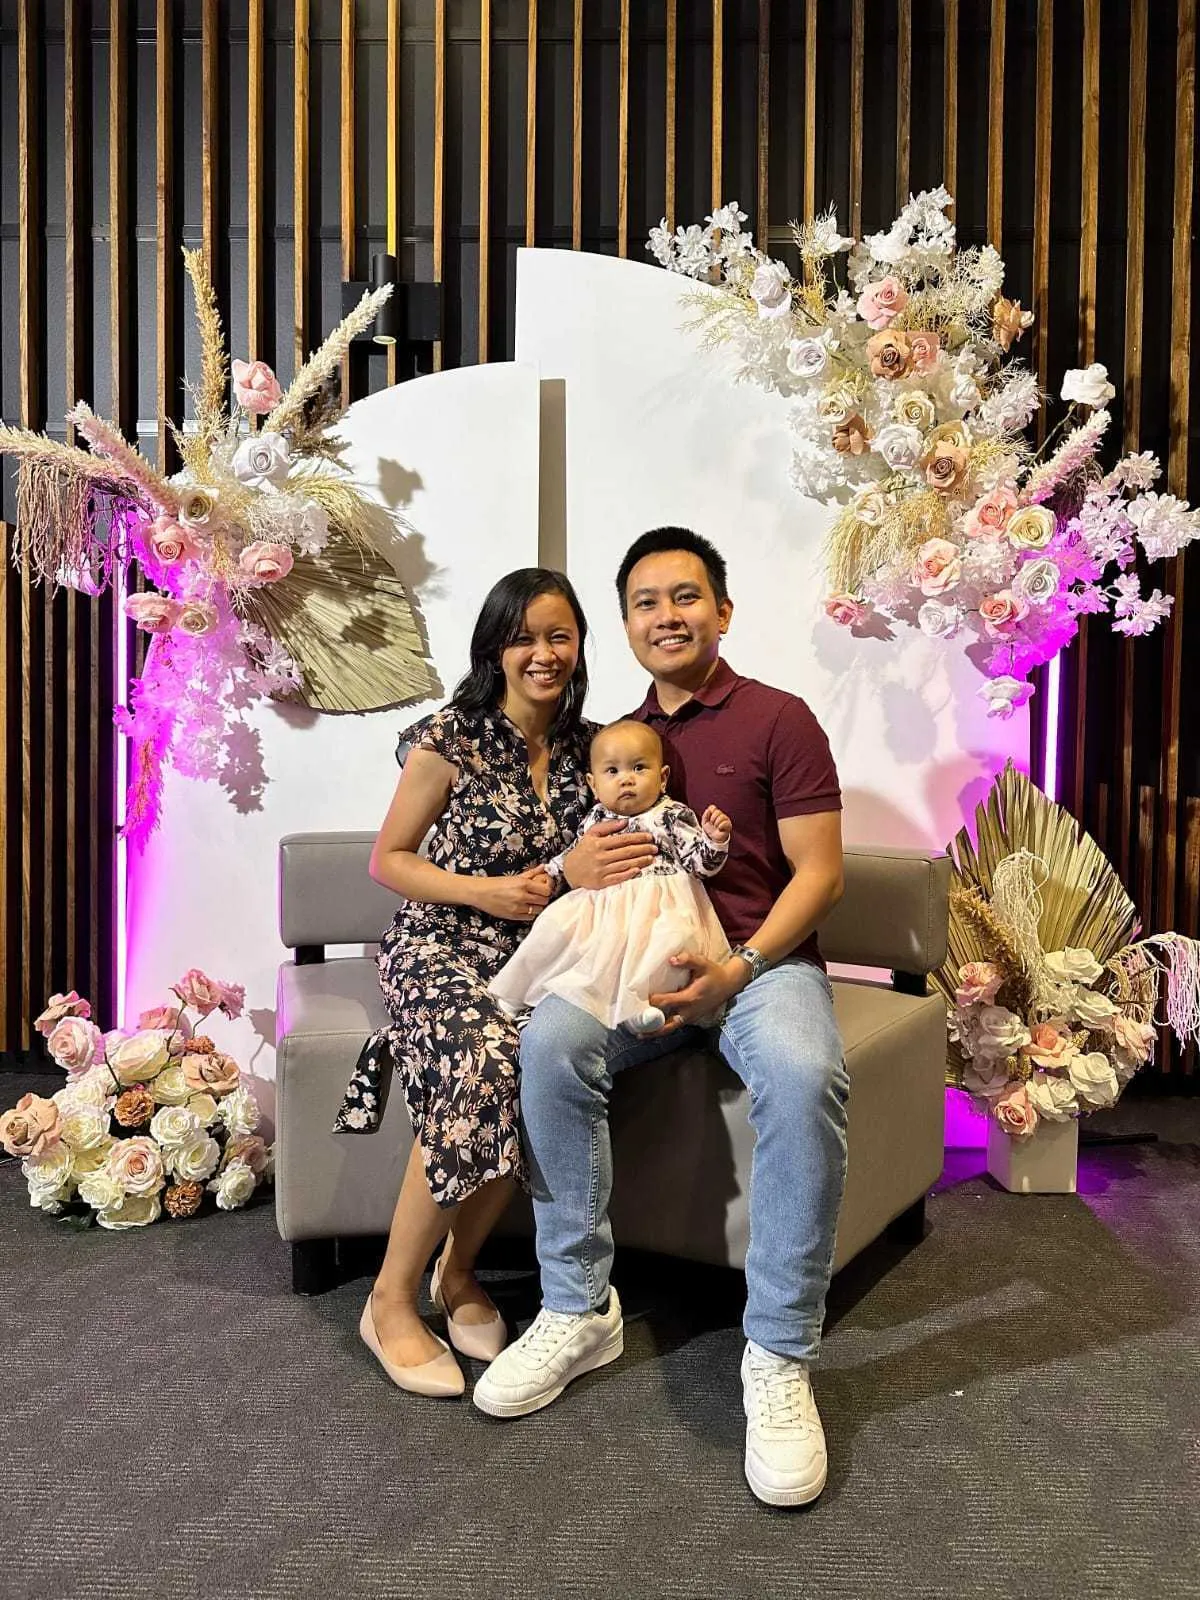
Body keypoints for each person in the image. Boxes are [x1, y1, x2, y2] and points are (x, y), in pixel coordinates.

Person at [473, 528, 848, 1510]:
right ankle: (576, 1305)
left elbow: (823, 871)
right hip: (638, 964)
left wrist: (744, 963)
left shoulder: (779, 718)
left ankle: (776, 1352)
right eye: (645, 601)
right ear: (626, 623)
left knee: (807, 1076)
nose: (666, 614)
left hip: (761, 965)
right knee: (550, 1040)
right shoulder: (612, 741)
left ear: (722, 611)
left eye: (686, 596)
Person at [333, 568, 595, 1398]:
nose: (542, 654)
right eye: (524, 637)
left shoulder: (595, 749)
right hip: (438, 947)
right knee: (483, 1061)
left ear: (579, 645)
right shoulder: (452, 738)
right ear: (494, 648)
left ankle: (458, 1275)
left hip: (535, 959)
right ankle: (388, 1300)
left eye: (558, 635)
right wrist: (485, 891)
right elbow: (389, 861)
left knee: (538, 1064)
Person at [488, 718, 732, 1033]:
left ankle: (640, 1009)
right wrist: (553, 872)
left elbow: (700, 865)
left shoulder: (671, 815)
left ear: (662, 778)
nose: (626, 780)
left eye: (639, 768)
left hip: (658, 908)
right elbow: (573, 855)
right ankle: (515, 992)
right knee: (553, 926)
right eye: (612, 771)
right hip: (601, 906)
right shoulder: (596, 818)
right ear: (593, 784)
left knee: (666, 945)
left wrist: (714, 840)